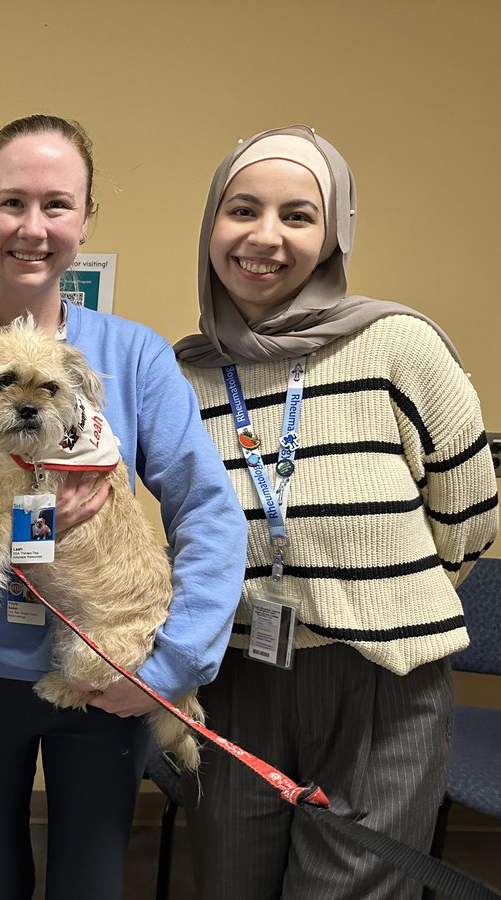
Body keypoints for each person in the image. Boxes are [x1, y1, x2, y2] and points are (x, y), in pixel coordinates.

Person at [0, 114, 247, 899]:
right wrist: (37, 527)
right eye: (11, 202)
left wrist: (172, 662)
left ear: (85, 220)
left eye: (57, 204)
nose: (32, 227)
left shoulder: (132, 355)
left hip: (110, 669)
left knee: (90, 877)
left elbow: (209, 513)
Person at [175, 125, 499, 899]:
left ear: (332, 236)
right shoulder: (184, 374)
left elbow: (470, 513)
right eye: (241, 209)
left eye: (298, 216)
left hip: (383, 682)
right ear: (211, 224)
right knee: (230, 884)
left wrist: (385, 601)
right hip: (237, 675)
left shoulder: (399, 343)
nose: (264, 237)